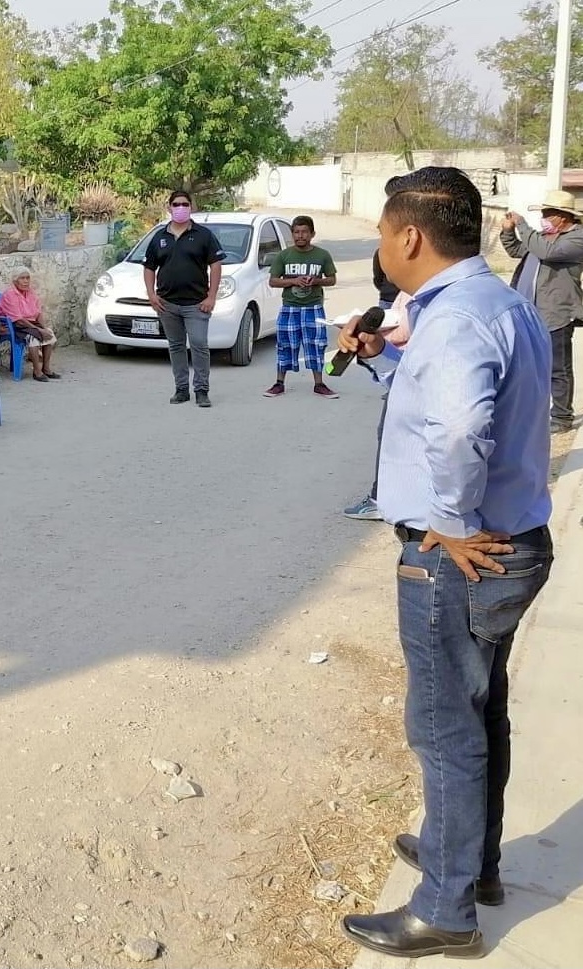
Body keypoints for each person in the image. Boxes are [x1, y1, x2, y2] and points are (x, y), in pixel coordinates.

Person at [337, 167, 554, 960]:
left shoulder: (456, 317)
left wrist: (452, 523)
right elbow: (447, 405)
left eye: (383, 235)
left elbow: (460, 430)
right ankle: (469, 863)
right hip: (511, 544)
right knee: (478, 714)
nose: (381, 250)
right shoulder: (493, 302)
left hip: (460, 556)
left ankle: (445, 908)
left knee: (444, 729)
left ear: (409, 237)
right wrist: (379, 360)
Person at [500, 188, 583, 434]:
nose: (544, 217)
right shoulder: (543, 237)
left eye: (548, 213)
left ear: (564, 217)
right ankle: (535, 411)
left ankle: (561, 416)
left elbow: (547, 253)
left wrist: (523, 224)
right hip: (530, 312)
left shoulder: (576, 238)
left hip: (556, 313)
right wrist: (508, 231)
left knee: (558, 368)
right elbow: (516, 250)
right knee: (530, 365)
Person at [142, 191, 224, 408]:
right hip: (167, 304)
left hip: (197, 304)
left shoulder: (203, 235)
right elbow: (149, 267)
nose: (180, 207)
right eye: (176, 204)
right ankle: (181, 390)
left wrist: (211, 296)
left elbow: (216, 265)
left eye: (184, 204)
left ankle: (201, 390)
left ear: (191, 207)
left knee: (199, 345)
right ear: (169, 207)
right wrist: (151, 295)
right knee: (176, 346)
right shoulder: (159, 236)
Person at [343, 292, 413, 522]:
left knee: (395, 438)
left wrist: (450, 521)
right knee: (387, 436)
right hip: (402, 374)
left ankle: (381, 499)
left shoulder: (432, 298)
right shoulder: (409, 291)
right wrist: (378, 346)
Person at [264, 214, 338, 399]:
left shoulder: (322, 255)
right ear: (292, 234)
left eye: (304, 232)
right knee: (285, 345)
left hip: (314, 308)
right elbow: (273, 281)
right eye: (296, 232)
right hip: (290, 307)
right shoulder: (284, 255)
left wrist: (316, 281)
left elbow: (332, 279)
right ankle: (279, 383)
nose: (300, 236)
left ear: (312, 234)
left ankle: (319, 384)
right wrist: (293, 281)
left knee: (316, 345)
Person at [0, 267, 59, 381]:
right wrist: (39, 330)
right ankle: (37, 371)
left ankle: (46, 368)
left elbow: (38, 313)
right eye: (22, 278)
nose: (26, 281)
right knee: (33, 337)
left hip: (30, 323)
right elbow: (18, 319)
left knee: (49, 334)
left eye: (27, 278)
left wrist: (44, 328)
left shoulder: (30, 292)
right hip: (15, 325)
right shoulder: (10, 294)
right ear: (15, 280)